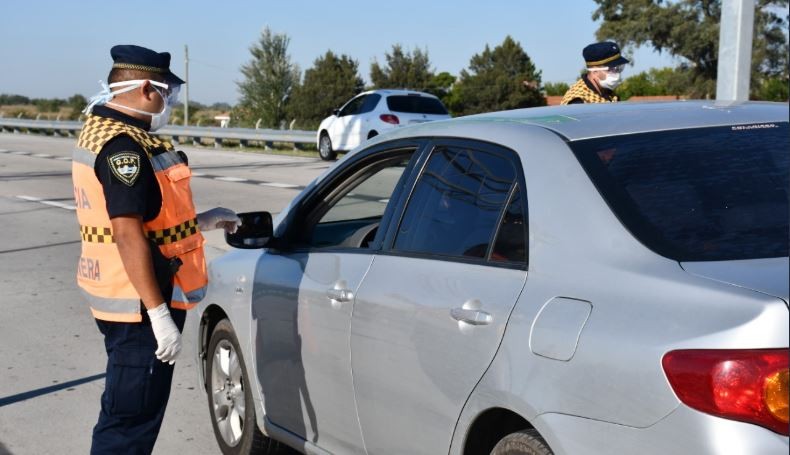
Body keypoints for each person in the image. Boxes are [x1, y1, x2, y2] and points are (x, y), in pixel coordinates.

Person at [72, 44, 240, 454]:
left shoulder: (105, 130)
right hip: (138, 307)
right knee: (128, 428)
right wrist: (159, 314)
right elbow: (127, 233)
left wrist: (201, 221)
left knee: (129, 418)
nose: (170, 103)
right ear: (147, 88)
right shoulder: (124, 148)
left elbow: (147, 220)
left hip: (124, 299)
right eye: (168, 93)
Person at [561, 41, 630, 105]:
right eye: (610, 69)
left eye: (619, 68)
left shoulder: (608, 93)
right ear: (594, 71)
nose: (617, 73)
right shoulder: (578, 101)